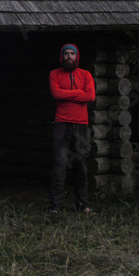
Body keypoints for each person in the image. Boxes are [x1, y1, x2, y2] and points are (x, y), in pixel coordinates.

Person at [48, 43, 96, 213]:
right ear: (62, 57)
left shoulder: (86, 75)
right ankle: (55, 206)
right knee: (59, 165)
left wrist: (66, 94)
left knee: (81, 164)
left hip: (81, 125)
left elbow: (90, 96)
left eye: (72, 54)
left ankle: (83, 204)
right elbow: (56, 94)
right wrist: (78, 94)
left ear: (77, 56)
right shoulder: (55, 74)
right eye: (66, 54)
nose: (69, 57)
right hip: (61, 124)